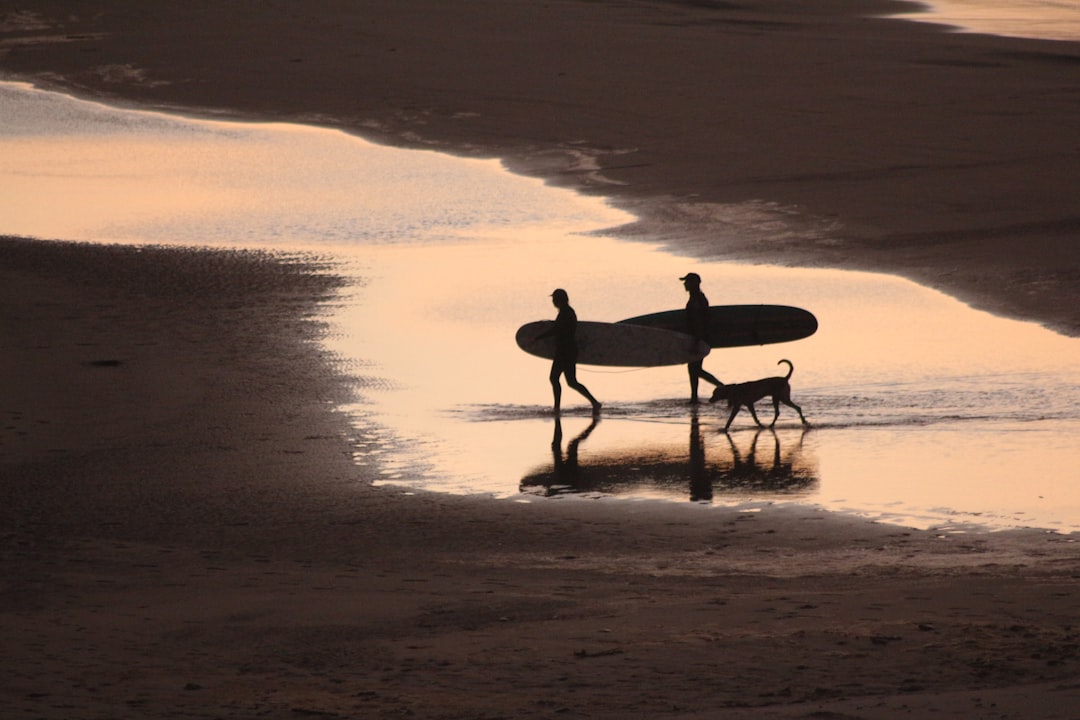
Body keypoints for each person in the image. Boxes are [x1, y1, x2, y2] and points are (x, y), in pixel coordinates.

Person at [537, 288, 601, 415]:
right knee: (571, 381)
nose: (553, 302)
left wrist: (539, 337)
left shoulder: (566, 313)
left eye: (554, 299)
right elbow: (558, 328)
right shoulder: (566, 312)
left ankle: (557, 408)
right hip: (568, 351)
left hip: (565, 351)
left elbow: (557, 330)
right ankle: (594, 402)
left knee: (555, 378)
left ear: (560, 300)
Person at [680, 272, 722, 403]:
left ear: (694, 284)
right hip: (697, 339)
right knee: (694, 369)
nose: (684, 284)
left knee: (695, 369)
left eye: (687, 281)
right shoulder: (696, 298)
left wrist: (696, 342)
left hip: (699, 339)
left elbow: (699, 323)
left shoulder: (697, 300)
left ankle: (723, 388)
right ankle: (694, 397)